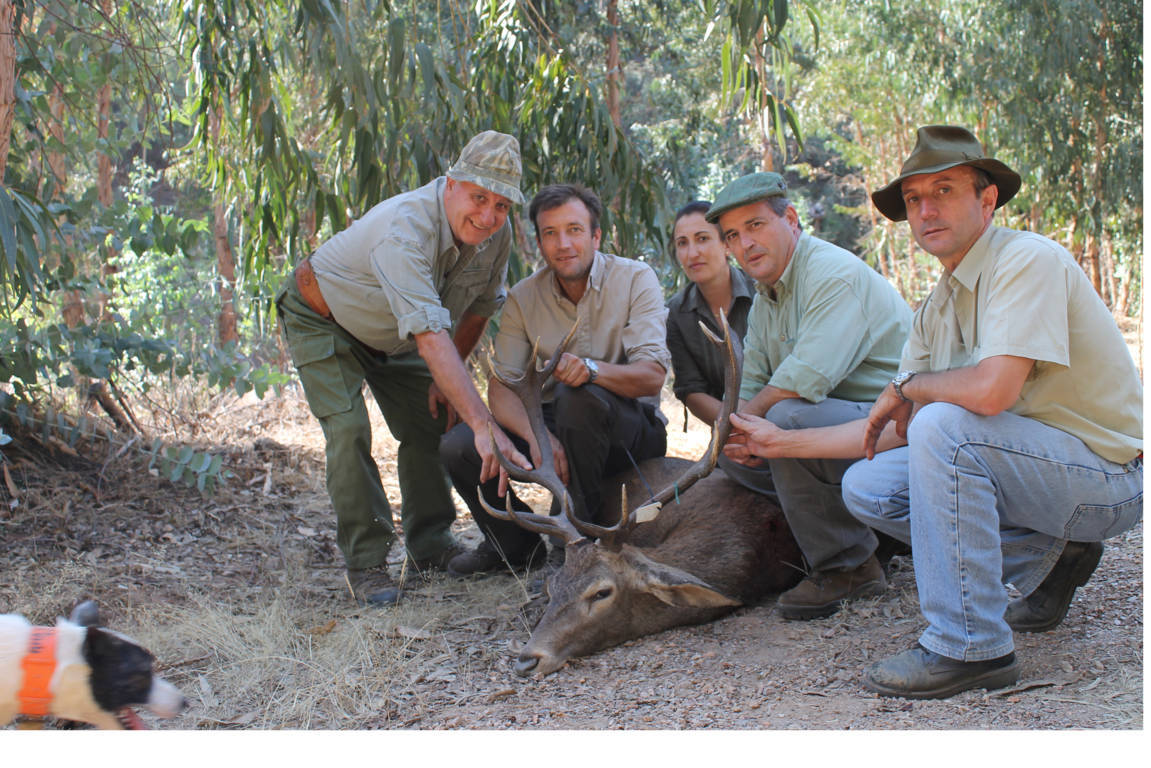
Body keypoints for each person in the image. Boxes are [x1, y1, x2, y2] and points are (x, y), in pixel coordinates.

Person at [730, 126, 1143, 699]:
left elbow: (991, 393)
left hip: (1103, 477)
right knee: (869, 486)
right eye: (915, 200)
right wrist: (779, 443)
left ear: (987, 198)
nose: (926, 210)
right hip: (1032, 474)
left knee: (944, 425)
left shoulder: (1025, 261)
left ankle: (971, 646)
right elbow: (885, 429)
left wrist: (916, 387)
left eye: (944, 191)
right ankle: (1051, 560)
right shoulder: (935, 310)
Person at [276, 131, 533, 607]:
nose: (488, 215)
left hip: (398, 334)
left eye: (501, 205)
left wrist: (444, 382)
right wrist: (483, 422)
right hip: (324, 319)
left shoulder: (494, 237)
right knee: (349, 431)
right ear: (451, 183)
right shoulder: (404, 227)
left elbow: (478, 309)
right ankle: (368, 563)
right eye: (479, 197)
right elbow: (431, 337)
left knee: (434, 419)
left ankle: (431, 547)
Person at [711, 172, 912, 620]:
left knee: (784, 419)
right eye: (732, 236)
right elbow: (753, 381)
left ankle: (849, 567)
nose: (746, 244)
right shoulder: (767, 298)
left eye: (756, 225)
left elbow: (803, 381)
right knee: (732, 452)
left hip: (899, 427)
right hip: (843, 429)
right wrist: (731, 434)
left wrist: (747, 425)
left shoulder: (830, 274)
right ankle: (862, 533)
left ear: (792, 219)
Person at [440, 184, 671, 575]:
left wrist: (593, 371)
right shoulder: (523, 298)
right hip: (554, 422)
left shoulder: (635, 279)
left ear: (596, 236)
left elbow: (651, 377)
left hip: (628, 427)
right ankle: (514, 548)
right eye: (550, 233)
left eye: (575, 230)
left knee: (577, 398)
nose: (563, 244)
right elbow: (502, 387)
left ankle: (572, 546)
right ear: (540, 242)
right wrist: (537, 438)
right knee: (460, 446)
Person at [665, 201, 776, 501]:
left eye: (703, 239)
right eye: (682, 243)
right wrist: (733, 429)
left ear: (727, 244)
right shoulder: (676, 313)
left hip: (780, 417)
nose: (693, 253)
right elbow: (690, 389)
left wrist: (751, 425)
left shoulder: (763, 291)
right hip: (730, 434)